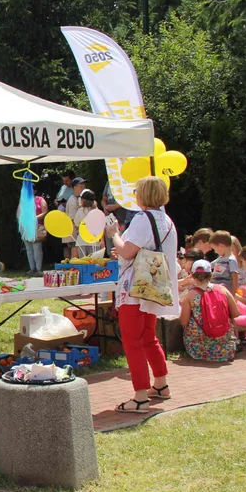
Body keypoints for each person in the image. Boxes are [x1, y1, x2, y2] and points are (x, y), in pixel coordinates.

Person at [105, 176, 179, 413]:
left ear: (143, 195)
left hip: (135, 287)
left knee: (132, 340)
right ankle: (160, 383)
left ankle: (139, 396)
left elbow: (127, 251)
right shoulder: (166, 219)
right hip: (154, 284)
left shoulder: (142, 219)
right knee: (148, 335)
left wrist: (114, 233)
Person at [179, 260, 240, 362]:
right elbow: (235, 313)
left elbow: (184, 321)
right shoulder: (223, 290)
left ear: (192, 276)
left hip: (198, 349)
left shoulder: (189, 296)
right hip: (225, 347)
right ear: (211, 274)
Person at [72, 189, 104, 257]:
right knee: (94, 262)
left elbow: (76, 223)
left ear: (82, 200)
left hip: (82, 240)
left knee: (83, 262)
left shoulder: (80, 211)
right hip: (94, 240)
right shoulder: (97, 212)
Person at [23, 185, 47, 273]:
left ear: (35, 190)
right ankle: (32, 268)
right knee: (29, 248)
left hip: (37, 226)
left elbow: (45, 212)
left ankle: (39, 269)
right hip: (26, 227)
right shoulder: (24, 200)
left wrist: (34, 218)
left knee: (37, 247)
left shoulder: (40, 199)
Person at [64, 177, 87, 258]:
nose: (83, 189)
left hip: (75, 234)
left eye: (84, 186)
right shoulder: (73, 201)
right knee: (75, 258)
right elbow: (74, 220)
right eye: (81, 187)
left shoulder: (77, 199)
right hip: (74, 234)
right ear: (75, 187)